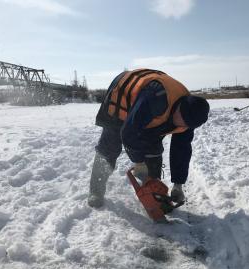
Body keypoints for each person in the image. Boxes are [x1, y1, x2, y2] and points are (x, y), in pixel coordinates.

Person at [88, 69, 210, 209]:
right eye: (181, 120)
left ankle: (154, 197)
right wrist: (139, 162)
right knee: (109, 148)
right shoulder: (157, 98)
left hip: (148, 112)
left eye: (186, 125)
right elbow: (129, 133)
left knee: (153, 151)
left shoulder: (190, 116)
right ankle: (95, 192)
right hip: (120, 96)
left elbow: (181, 150)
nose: (181, 126)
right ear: (179, 108)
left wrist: (178, 184)